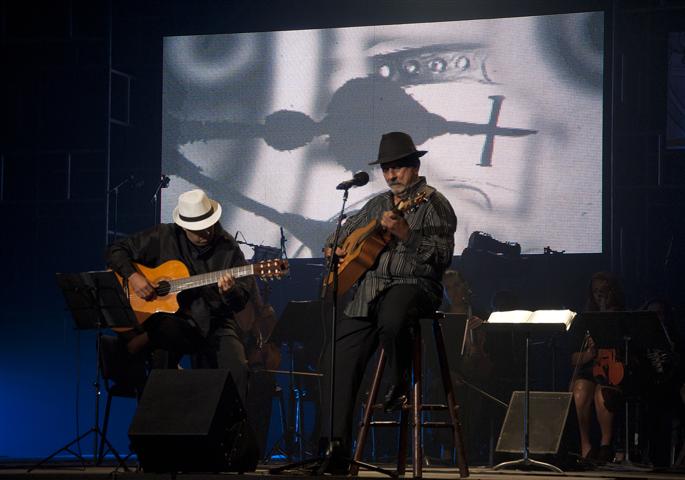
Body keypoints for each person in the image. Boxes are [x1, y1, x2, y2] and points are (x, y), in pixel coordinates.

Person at [322, 131, 457, 466]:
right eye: (387, 169)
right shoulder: (378, 203)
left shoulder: (433, 203)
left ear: (415, 165)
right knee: (336, 358)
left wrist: (406, 235)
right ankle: (335, 448)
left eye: (398, 167)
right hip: (369, 290)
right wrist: (333, 246)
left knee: (394, 316)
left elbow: (441, 258)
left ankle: (399, 382)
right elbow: (342, 230)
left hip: (415, 286)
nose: (392, 175)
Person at [105, 189, 252, 399]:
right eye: (198, 230)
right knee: (162, 352)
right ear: (183, 227)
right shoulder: (164, 235)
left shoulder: (228, 247)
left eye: (208, 226)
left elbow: (240, 300)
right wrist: (134, 277)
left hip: (213, 321)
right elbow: (115, 250)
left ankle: (234, 428)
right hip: (172, 321)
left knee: (238, 369)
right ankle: (159, 422)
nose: (206, 233)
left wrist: (230, 292)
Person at [570, 271, 626, 464]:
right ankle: (585, 446)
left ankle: (605, 445)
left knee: (602, 394)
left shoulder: (623, 316)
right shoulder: (584, 320)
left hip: (613, 369)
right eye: (596, 292)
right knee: (579, 393)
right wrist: (588, 354)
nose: (600, 295)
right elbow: (573, 357)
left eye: (604, 291)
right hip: (589, 367)